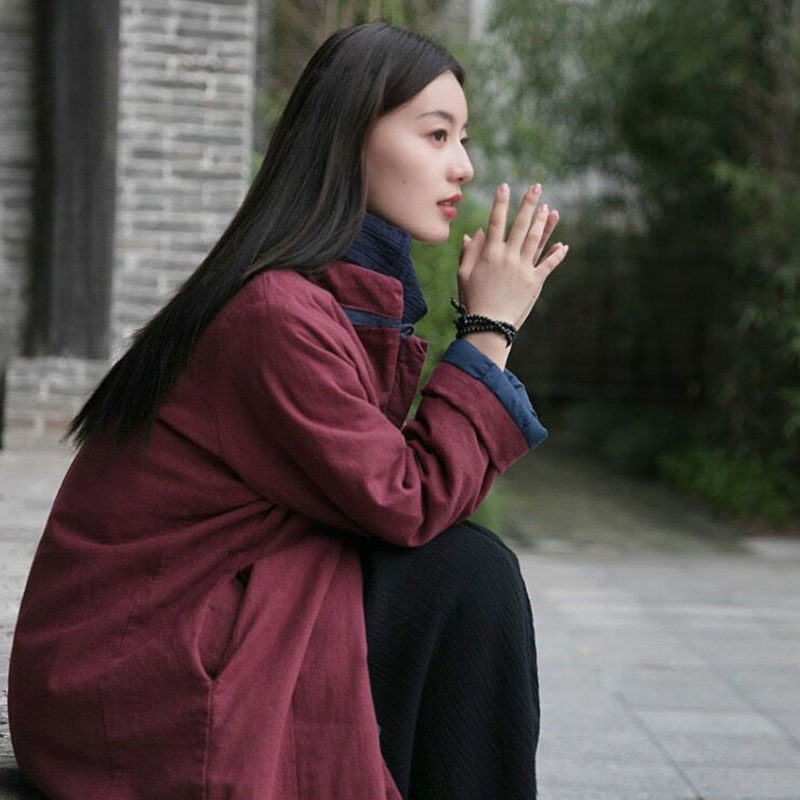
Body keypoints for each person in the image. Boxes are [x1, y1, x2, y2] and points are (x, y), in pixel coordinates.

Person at [8, 20, 567, 800]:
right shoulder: (275, 313)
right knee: (466, 576)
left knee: (459, 573)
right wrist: (488, 331)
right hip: (133, 678)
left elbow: (380, 498)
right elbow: (407, 500)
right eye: (436, 135)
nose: (463, 166)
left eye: (462, 139)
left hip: (170, 634)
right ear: (349, 137)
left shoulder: (317, 297)